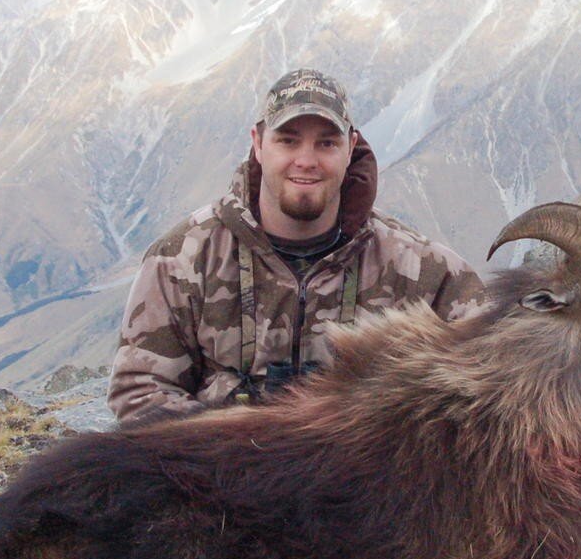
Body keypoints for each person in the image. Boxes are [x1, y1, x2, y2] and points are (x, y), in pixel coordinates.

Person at [108, 68, 487, 423]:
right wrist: (231, 459)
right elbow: (140, 390)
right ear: (258, 144)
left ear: (350, 146)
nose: (306, 161)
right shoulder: (182, 258)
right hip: (216, 483)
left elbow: (486, 392)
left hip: (366, 485)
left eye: (326, 143)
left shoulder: (429, 273)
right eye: (288, 141)